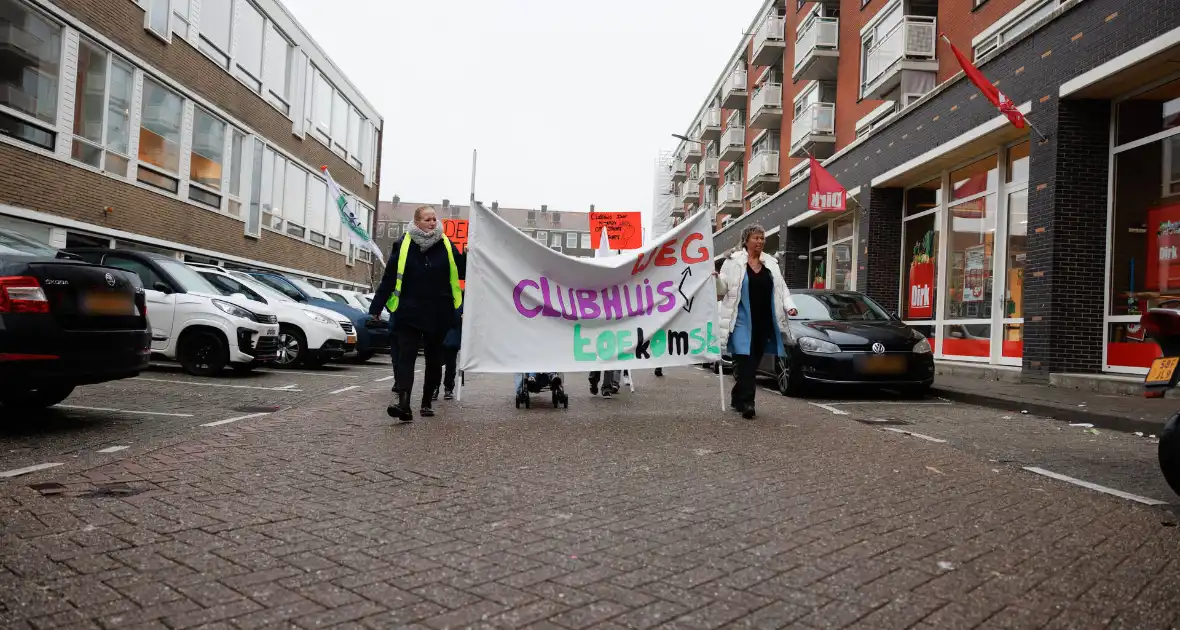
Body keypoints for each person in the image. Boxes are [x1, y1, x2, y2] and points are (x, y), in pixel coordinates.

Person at [370, 205, 464, 421]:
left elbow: (462, 269)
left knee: (433, 359)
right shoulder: (403, 244)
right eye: (427, 219)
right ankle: (403, 403)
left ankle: (426, 402)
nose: (432, 223)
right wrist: (376, 308)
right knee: (406, 357)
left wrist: (470, 256)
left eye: (434, 219)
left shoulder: (446, 244)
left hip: (438, 312)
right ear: (417, 222)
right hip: (408, 312)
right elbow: (390, 277)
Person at [715, 224, 790, 419]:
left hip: (763, 320)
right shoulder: (733, 262)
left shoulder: (771, 263)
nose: (760, 241)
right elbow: (722, 288)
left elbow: (782, 288)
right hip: (740, 320)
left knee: (752, 362)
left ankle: (737, 396)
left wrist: (789, 305)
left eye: (762, 238)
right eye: (756, 238)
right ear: (746, 240)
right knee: (745, 361)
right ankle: (748, 403)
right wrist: (715, 279)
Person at [434, 295, 462, 401]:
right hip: (441, 337)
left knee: (449, 365)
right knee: (439, 365)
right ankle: (439, 388)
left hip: (450, 337)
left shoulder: (458, 302)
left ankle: (447, 388)